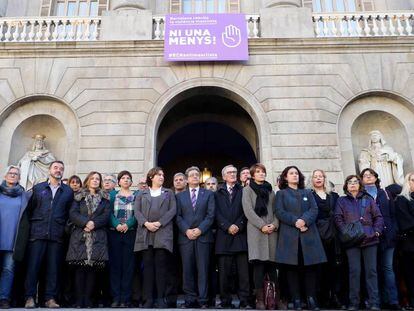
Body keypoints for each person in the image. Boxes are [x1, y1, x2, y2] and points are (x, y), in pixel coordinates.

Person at [275, 166, 326, 311]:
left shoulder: (307, 192)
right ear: (285, 177)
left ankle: (311, 299)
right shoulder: (281, 194)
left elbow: (314, 209)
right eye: (291, 173)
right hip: (289, 236)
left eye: (296, 173)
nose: (294, 175)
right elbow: (279, 211)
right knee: (292, 269)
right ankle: (296, 299)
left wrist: (304, 220)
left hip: (308, 234)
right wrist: (295, 221)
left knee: (310, 268)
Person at [24, 161, 73, 309]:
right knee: (33, 267)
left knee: (53, 269)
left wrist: (64, 229)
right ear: (49, 170)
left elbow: (70, 214)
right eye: (56, 168)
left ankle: (50, 298)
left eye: (61, 169)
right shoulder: (38, 188)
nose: (58, 170)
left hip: (57, 235)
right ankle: (29, 297)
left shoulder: (68, 191)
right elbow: (30, 209)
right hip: (37, 233)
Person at [335, 175, 384, 311]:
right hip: (351, 241)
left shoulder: (368, 200)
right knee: (354, 272)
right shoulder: (341, 201)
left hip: (370, 239)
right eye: (349, 182)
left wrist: (377, 232)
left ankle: (374, 302)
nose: (352, 184)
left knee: (371, 271)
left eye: (355, 182)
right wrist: (346, 232)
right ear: (346, 185)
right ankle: (354, 303)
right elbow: (338, 218)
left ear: (360, 185)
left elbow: (378, 217)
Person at [66, 171, 110, 308]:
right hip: (80, 235)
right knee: (80, 269)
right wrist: (85, 223)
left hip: (97, 236)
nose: (95, 181)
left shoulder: (105, 198)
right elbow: (73, 213)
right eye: (93, 178)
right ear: (87, 181)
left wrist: (94, 224)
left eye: (98, 179)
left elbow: (106, 215)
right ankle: (79, 300)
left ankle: (88, 300)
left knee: (92, 269)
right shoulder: (78, 197)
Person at [134, 167, 176, 308]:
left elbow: (172, 210)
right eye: (159, 175)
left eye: (163, 175)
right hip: (146, 234)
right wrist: (146, 223)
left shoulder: (169, 193)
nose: (162, 177)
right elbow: (137, 211)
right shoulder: (142, 193)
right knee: (147, 268)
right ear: (151, 177)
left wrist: (159, 223)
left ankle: (160, 298)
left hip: (162, 233)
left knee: (161, 268)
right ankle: (148, 299)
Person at [360, 168, 400, 310]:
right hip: (370, 237)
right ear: (362, 180)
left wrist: (394, 231)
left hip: (388, 235)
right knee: (373, 269)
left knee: (388, 268)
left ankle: (393, 300)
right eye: (365, 175)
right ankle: (377, 300)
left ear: (376, 178)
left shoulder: (385, 193)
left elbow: (393, 214)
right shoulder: (361, 195)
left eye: (371, 175)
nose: (368, 177)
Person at [176, 166, 215, 308]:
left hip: (203, 237)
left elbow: (211, 215)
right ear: (186, 180)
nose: (194, 177)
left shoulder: (208, 194)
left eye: (196, 175)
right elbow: (178, 216)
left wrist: (200, 229)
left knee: (203, 270)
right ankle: (189, 300)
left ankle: (203, 300)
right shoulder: (179, 196)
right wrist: (187, 230)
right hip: (185, 238)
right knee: (187, 270)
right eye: (191, 175)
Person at [242, 163, 278, 310]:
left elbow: (277, 211)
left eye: (263, 172)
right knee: (258, 266)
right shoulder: (247, 189)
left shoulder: (271, 191)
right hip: (256, 231)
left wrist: (274, 225)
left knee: (272, 266)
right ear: (252, 174)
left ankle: (274, 298)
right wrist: (262, 225)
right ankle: (260, 300)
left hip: (271, 231)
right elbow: (248, 210)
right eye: (258, 172)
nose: (261, 174)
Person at [215, 165, 250, 309]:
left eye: (235, 172)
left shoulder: (244, 191)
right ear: (223, 176)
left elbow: (247, 210)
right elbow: (215, 213)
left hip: (240, 236)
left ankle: (245, 300)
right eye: (229, 172)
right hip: (223, 237)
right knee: (224, 273)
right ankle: (225, 301)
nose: (233, 174)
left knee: (243, 274)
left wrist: (238, 225)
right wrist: (226, 226)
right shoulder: (216, 193)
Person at [308, 169, 343, 308]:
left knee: (334, 267)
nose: (318, 179)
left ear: (324, 178)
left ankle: (333, 296)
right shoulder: (309, 195)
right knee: (318, 268)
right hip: (316, 235)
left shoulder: (334, 196)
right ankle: (320, 297)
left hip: (333, 236)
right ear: (312, 180)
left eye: (320, 176)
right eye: (315, 177)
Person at [0, 166, 31, 309]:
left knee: (8, 269)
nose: (13, 175)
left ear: (19, 178)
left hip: (13, 239)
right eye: (10, 173)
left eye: (16, 174)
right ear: (5, 176)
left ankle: (4, 298)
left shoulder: (24, 196)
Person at [108, 171, 137, 308]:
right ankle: (116, 297)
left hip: (130, 233)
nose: (126, 180)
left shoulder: (136, 195)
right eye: (123, 178)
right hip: (115, 233)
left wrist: (128, 224)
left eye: (128, 178)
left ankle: (126, 298)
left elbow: (138, 214)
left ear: (131, 182)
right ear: (118, 182)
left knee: (128, 266)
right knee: (115, 266)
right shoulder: (113, 195)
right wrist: (117, 225)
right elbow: (108, 213)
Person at [395, 172, 414, 309]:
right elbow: (405, 221)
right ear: (408, 182)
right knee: (411, 272)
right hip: (410, 242)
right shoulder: (402, 199)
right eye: (413, 180)